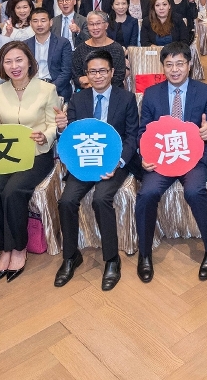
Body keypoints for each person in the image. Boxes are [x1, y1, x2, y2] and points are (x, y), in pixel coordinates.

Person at [0, 42, 59, 283]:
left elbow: (53, 124)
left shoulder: (47, 89)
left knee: (13, 191)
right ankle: (3, 248)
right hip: (5, 155)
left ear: (29, 62)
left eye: (19, 60)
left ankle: (18, 248)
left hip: (36, 154)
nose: (14, 66)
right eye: (8, 61)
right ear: (2, 66)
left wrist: (45, 136)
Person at [135, 42, 207, 282]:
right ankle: (144, 253)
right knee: (147, 193)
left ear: (189, 64)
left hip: (193, 157)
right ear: (162, 67)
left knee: (194, 191)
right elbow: (143, 131)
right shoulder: (152, 94)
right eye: (169, 64)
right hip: (162, 157)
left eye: (180, 64)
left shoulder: (204, 91)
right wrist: (144, 156)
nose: (175, 70)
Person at [54, 49, 140, 290]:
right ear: (86, 75)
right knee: (66, 201)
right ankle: (70, 256)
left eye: (103, 71)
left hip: (113, 162)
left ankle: (111, 259)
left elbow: (132, 136)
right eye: (93, 72)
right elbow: (70, 138)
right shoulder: (78, 99)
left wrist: (118, 162)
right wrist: (61, 128)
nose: (98, 76)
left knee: (101, 199)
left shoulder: (126, 98)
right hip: (85, 162)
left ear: (112, 72)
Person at [72, 11, 127, 90]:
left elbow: (119, 77)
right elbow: (76, 76)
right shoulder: (80, 49)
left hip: (112, 92)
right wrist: (82, 81)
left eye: (98, 23)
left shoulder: (117, 48)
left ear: (106, 25)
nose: (95, 28)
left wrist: (95, 84)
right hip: (86, 91)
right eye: (91, 24)